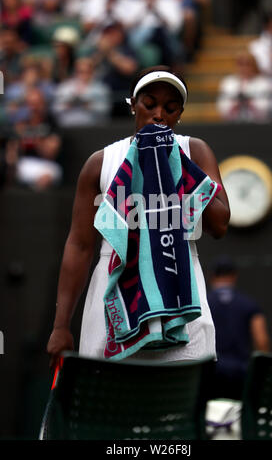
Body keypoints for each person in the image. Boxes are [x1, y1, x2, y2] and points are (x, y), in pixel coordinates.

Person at [46, 65, 230, 369]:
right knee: (107, 406)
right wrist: (61, 324)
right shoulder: (101, 163)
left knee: (181, 407)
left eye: (170, 108)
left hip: (181, 288)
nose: (159, 114)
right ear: (132, 104)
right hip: (112, 291)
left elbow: (220, 224)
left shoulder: (194, 151)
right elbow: (79, 245)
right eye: (150, 104)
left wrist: (175, 162)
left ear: (179, 114)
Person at [207, 255, 271, 400]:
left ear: (212, 276)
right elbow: (261, 341)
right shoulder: (248, 304)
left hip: (211, 372)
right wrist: (262, 373)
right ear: (234, 276)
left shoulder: (203, 304)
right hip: (241, 372)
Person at [216, 51, 272, 122]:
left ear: (254, 65)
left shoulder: (263, 83)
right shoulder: (228, 82)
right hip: (233, 125)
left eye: (247, 64)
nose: (244, 68)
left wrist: (249, 103)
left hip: (257, 125)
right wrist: (235, 104)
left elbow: (266, 109)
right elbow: (222, 108)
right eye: (241, 64)